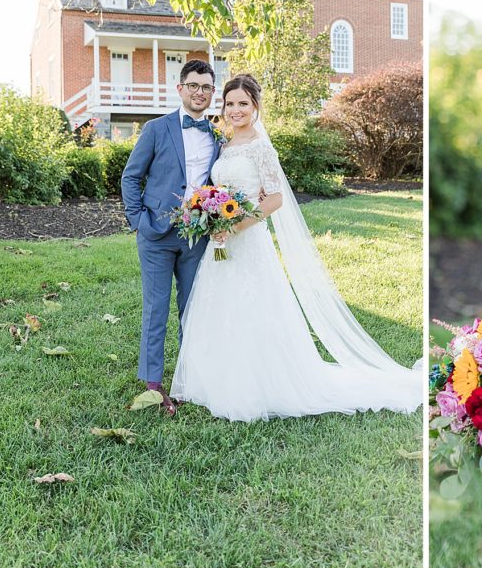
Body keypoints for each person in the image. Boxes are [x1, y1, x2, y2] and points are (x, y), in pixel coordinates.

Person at [169, 73, 423, 421]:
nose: (235, 110)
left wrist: (235, 226)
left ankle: (258, 385)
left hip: (248, 239)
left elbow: (274, 199)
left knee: (253, 309)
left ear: (255, 106)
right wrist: (212, 216)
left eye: (243, 103)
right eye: (230, 104)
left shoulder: (260, 145)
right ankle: (216, 380)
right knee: (221, 308)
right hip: (222, 243)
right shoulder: (224, 143)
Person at [121, 60, 221, 415]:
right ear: (180, 89)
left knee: (193, 309)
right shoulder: (156, 129)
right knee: (156, 307)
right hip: (157, 234)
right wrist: (138, 221)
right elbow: (131, 177)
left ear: (212, 93)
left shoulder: (217, 135)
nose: (199, 92)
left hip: (198, 236)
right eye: (193, 85)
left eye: (206, 87)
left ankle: (187, 378)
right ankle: (152, 382)